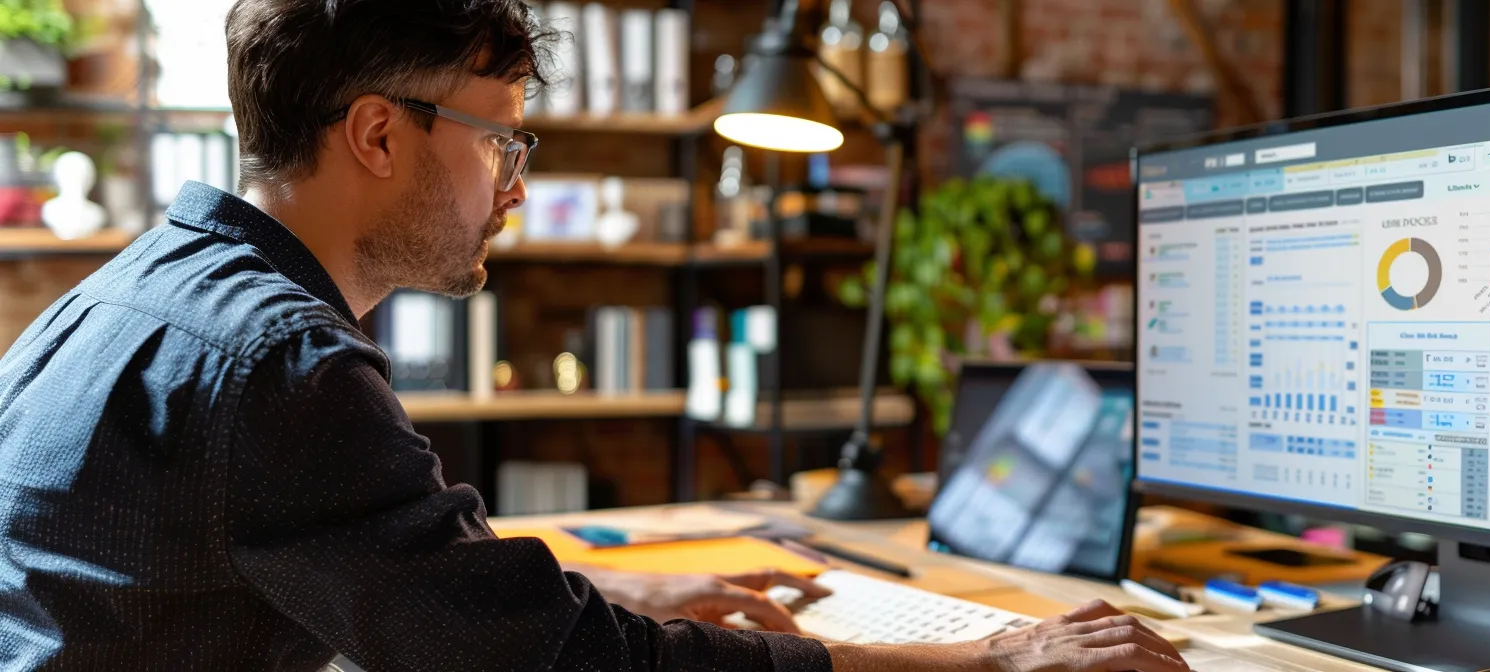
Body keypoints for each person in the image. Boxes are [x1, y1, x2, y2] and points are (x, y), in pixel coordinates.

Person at [0, 1, 1191, 671]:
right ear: (377, 134)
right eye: (503, 139)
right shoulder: (276, 366)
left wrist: (621, 585)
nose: (517, 183)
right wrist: (992, 663)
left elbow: (411, 586)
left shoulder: (124, 303)